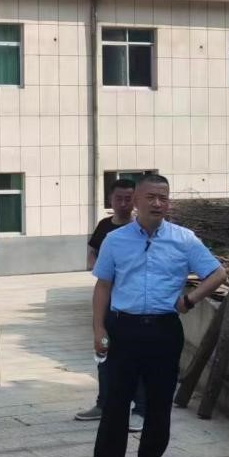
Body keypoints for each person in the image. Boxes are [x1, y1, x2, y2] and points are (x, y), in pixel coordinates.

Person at [82, 174, 227, 457]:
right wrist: (99, 328)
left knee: (159, 403)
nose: (158, 203)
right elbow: (103, 286)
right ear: (136, 200)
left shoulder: (184, 239)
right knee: (116, 401)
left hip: (164, 330)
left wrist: (189, 300)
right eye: (151, 197)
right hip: (123, 328)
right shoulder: (115, 240)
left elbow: (218, 273)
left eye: (163, 197)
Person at [76, 178, 147, 429]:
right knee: (104, 350)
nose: (124, 203)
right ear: (111, 200)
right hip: (107, 301)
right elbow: (92, 253)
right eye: (119, 198)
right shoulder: (105, 226)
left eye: (129, 198)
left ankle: (140, 408)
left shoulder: (141, 227)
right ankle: (103, 403)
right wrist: (99, 268)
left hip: (134, 302)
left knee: (138, 355)